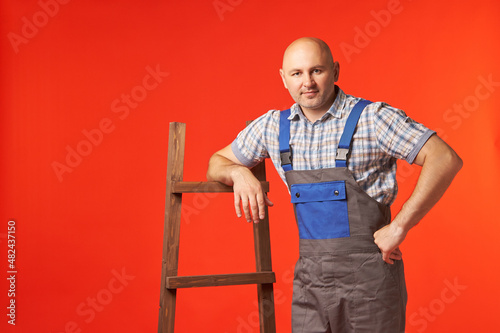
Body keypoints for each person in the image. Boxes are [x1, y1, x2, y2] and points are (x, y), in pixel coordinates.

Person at [206, 37, 462, 333]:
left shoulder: (372, 118)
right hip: (310, 286)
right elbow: (217, 162)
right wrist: (239, 173)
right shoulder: (272, 127)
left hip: (371, 287)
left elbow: (444, 158)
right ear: (283, 78)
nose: (308, 82)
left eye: (317, 70)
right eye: (297, 73)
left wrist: (400, 226)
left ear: (335, 71)